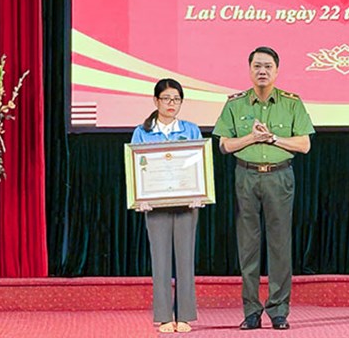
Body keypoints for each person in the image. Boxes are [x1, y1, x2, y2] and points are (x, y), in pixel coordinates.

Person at [213, 46, 315, 331]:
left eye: (268, 66)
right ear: (249, 70)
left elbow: (304, 145)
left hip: (279, 177)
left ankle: (279, 310)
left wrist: (272, 139)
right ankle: (251, 311)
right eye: (257, 66)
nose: (262, 71)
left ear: (276, 71)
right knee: (248, 247)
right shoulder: (235, 104)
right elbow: (224, 145)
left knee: (280, 245)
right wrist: (251, 137)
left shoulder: (292, 103)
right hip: (245, 177)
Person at [131, 78, 204, 334]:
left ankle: (184, 316)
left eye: (176, 99)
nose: (171, 104)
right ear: (155, 101)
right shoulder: (142, 132)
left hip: (187, 204)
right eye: (166, 99)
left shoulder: (191, 130)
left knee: (185, 259)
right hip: (155, 205)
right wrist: (141, 198)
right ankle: (164, 317)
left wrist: (200, 194)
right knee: (160, 260)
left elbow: (199, 167)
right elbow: (136, 169)